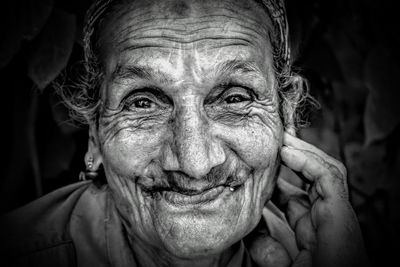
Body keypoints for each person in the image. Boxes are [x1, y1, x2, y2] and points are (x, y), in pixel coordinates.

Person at [0, 0, 368, 266]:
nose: (195, 163)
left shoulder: (321, 253)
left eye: (235, 98)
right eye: (143, 103)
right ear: (95, 134)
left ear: (285, 118)